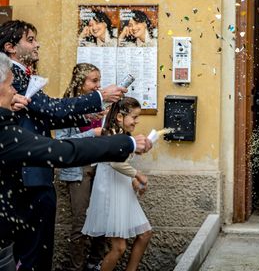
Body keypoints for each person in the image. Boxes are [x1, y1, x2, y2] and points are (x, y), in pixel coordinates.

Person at [0, 53, 152, 271]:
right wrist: (125, 143)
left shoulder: (9, 123)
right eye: (11, 85)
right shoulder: (5, 132)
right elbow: (64, 149)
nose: (16, 91)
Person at [82, 97, 152, 271]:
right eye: (134, 117)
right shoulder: (110, 135)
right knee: (119, 247)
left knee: (145, 234)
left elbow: (122, 164)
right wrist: (138, 175)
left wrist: (133, 180)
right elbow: (114, 162)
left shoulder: (124, 136)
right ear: (120, 117)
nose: (137, 122)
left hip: (122, 191)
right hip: (110, 194)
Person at [55, 63, 107, 271]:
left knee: (101, 219)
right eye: (93, 81)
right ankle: (77, 267)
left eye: (99, 80)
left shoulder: (97, 105)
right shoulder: (66, 106)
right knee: (81, 223)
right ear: (80, 82)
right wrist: (91, 134)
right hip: (79, 170)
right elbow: (62, 142)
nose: (98, 85)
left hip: (101, 168)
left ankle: (95, 263)